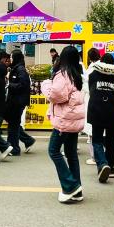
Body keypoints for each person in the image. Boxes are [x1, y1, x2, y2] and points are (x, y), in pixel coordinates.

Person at [44, 45, 86, 203]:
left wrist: (46, 85)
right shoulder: (77, 74)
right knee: (71, 154)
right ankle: (77, 190)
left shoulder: (63, 75)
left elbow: (55, 96)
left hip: (64, 120)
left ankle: (70, 186)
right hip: (74, 121)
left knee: (53, 151)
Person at [88, 53, 114, 181]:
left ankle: (102, 164)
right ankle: (111, 168)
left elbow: (90, 89)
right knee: (111, 140)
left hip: (96, 110)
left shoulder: (94, 74)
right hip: (111, 111)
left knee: (97, 140)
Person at [6, 50, 37, 156]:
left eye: (11, 57)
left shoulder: (21, 70)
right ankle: (27, 140)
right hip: (14, 101)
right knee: (13, 124)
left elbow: (23, 86)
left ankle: (14, 148)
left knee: (13, 126)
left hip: (18, 102)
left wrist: (9, 85)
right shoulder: (15, 68)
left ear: (16, 58)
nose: (10, 59)